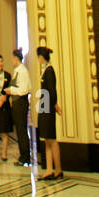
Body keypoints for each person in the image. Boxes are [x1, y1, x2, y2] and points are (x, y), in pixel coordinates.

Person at [35, 46, 63, 178]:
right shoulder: (45, 70)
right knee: (47, 139)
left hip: (48, 108)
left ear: (41, 57)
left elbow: (52, 91)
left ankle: (58, 169)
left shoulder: (49, 71)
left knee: (51, 139)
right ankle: (50, 169)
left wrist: (54, 104)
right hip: (44, 107)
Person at [5, 48, 31, 166]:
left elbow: (23, 90)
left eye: (12, 58)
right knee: (19, 130)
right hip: (17, 102)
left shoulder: (22, 71)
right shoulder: (17, 70)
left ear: (16, 58)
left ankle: (25, 157)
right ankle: (23, 155)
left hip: (21, 102)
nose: (11, 60)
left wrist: (11, 91)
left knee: (21, 130)